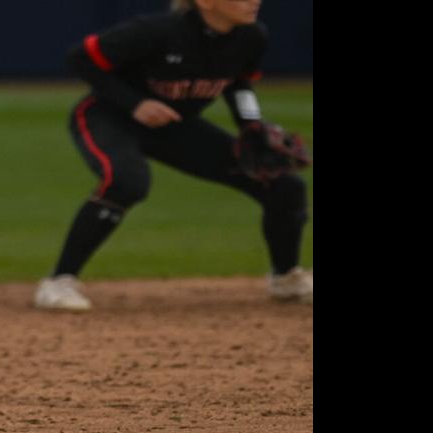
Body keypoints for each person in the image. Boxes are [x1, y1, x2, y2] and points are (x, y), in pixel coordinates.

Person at [35, 0, 311, 312]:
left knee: (284, 186)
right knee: (127, 182)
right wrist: (135, 103)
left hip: (174, 125)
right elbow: (81, 57)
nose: (254, 1)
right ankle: (59, 281)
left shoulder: (251, 36)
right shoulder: (155, 31)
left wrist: (250, 125)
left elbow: (239, 81)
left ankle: (286, 278)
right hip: (109, 117)